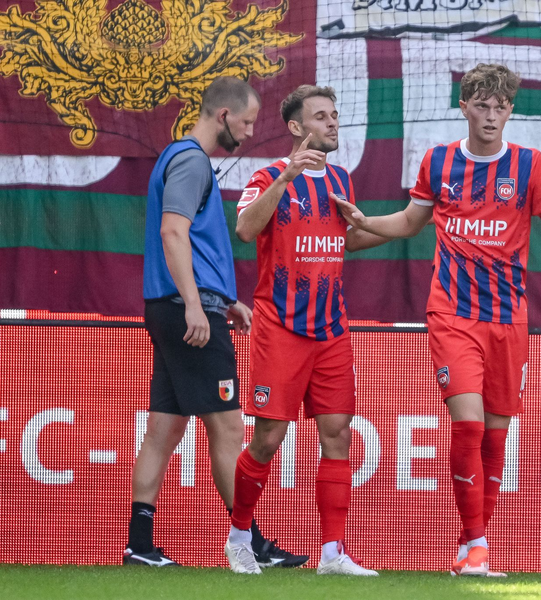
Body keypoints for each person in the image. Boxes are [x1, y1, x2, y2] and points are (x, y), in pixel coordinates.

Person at [334, 63, 541, 576]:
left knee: (495, 438)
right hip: (452, 313)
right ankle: (476, 545)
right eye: (482, 105)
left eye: (500, 107)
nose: (491, 115)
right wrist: (362, 225)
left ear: (510, 111)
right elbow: (409, 222)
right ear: (464, 107)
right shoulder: (437, 161)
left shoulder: (529, 165)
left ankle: (469, 546)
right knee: (469, 425)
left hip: (508, 320)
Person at [125, 76, 307, 570]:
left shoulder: (179, 158)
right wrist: (194, 304)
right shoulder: (191, 161)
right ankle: (249, 543)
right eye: (246, 122)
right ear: (223, 115)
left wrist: (220, 301)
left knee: (163, 429)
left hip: (177, 306)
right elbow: (173, 232)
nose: (249, 132)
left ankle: (139, 546)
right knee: (227, 427)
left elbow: (187, 244)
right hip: (186, 312)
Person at [227, 85, 388, 576]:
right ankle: (239, 539)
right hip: (280, 326)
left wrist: (398, 225)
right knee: (268, 438)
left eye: (334, 115)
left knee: (337, 435)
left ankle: (332, 554)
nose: (333, 123)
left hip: (332, 328)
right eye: (321, 116)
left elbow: (342, 241)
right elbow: (245, 230)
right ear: (296, 127)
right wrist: (286, 177)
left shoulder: (341, 178)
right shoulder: (268, 175)